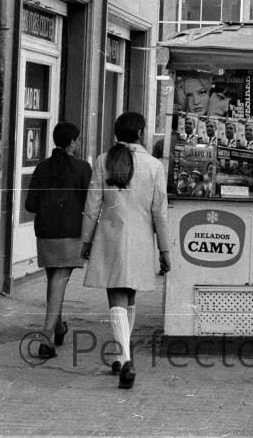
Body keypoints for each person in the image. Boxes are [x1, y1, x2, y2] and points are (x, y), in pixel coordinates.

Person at [80, 112, 170, 389]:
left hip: (109, 236)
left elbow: (92, 205)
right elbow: (160, 212)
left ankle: (123, 358)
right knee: (129, 295)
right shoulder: (154, 165)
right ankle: (124, 358)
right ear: (141, 134)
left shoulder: (103, 161)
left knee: (115, 297)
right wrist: (165, 250)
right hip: (141, 238)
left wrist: (86, 240)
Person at [24, 122, 91, 359]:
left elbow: (30, 205)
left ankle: (59, 326)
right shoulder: (83, 168)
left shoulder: (42, 168)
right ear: (72, 142)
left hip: (45, 231)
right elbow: (89, 204)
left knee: (54, 278)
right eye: (78, 140)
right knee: (59, 280)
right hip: (71, 231)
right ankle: (46, 338)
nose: (79, 143)